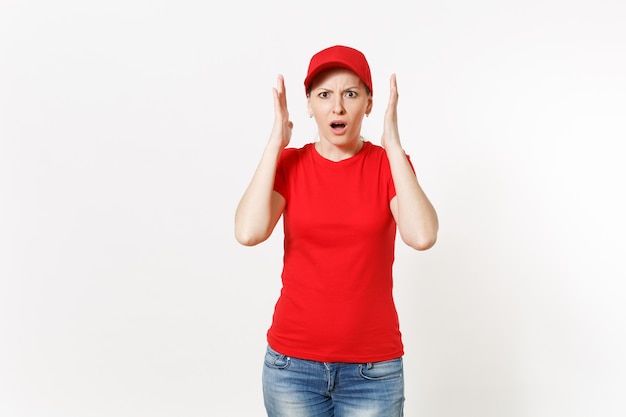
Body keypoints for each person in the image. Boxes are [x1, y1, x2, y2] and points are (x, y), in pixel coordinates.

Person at [234, 45, 439, 417]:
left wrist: (393, 145)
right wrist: (273, 144)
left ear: (369, 104)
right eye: (324, 95)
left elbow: (422, 236)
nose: (337, 107)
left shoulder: (387, 165)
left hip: (372, 371)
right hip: (292, 368)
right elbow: (248, 232)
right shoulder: (290, 164)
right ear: (309, 105)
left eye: (351, 94)